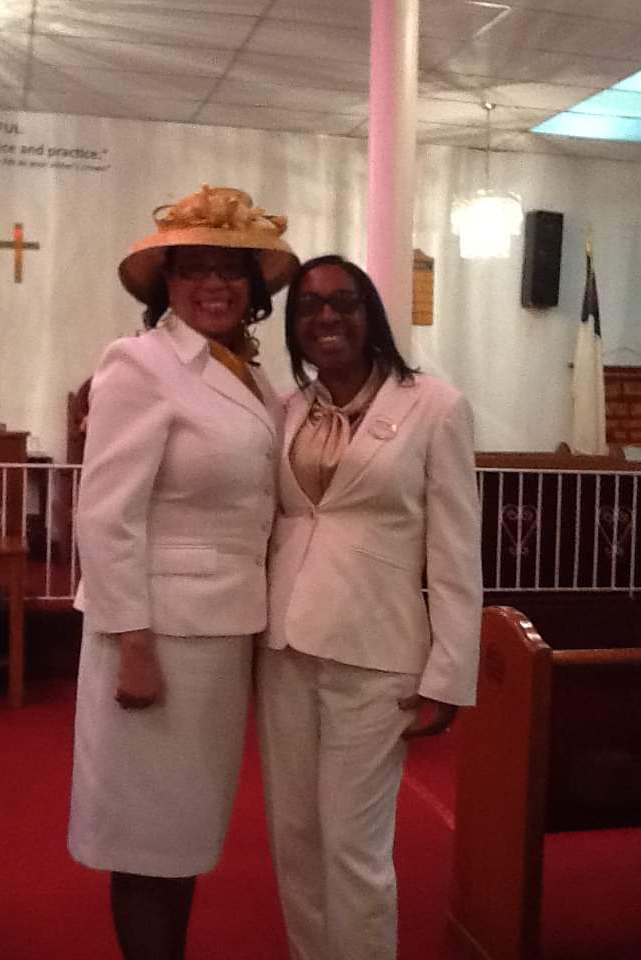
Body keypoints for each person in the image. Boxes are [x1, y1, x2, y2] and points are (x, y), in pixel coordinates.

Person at [68, 184, 298, 960]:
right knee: (145, 842)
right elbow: (105, 515)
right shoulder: (138, 363)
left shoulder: (248, 376)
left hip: (223, 636)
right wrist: (132, 642)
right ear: (166, 283)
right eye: (195, 269)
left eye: (231, 271)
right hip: (156, 639)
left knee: (186, 835)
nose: (215, 285)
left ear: (254, 290)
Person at [256, 254, 483, 960]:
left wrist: (449, 671)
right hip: (285, 646)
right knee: (293, 838)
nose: (327, 316)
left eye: (344, 301)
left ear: (371, 314)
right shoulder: (286, 410)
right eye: (309, 306)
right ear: (294, 327)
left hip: (376, 652)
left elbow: (454, 553)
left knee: (354, 848)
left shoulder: (434, 406)